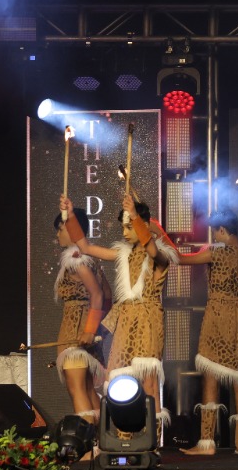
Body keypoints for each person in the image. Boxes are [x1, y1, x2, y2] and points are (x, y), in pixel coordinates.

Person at [60, 181, 177, 441]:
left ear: (142, 225)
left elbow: (152, 249)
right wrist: (69, 216)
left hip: (148, 320)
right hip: (125, 320)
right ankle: (126, 439)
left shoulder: (160, 256)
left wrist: (134, 216)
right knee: (120, 381)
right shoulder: (123, 253)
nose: (125, 232)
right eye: (123, 226)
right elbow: (86, 247)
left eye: (129, 226)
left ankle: (151, 441)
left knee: (148, 382)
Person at [176, 203, 238, 455]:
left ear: (221, 230)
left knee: (211, 374)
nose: (214, 236)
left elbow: (180, 259)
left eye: (215, 232)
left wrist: (160, 238)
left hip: (218, 315)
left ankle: (207, 443)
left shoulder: (215, 253)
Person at [52, 205, 109, 432]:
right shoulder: (87, 260)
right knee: (86, 389)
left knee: (77, 389)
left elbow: (99, 295)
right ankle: (100, 441)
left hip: (77, 333)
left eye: (60, 229)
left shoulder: (78, 260)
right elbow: (106, 294)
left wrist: (89, 330)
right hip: (81, 331)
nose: (58, 234)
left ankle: (87, 444)